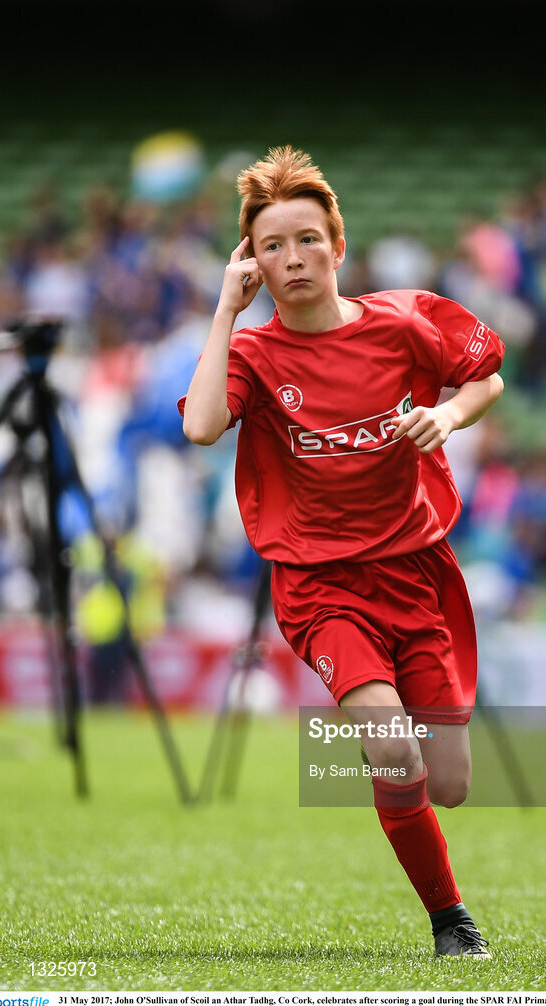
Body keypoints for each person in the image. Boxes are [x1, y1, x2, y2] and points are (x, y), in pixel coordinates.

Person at [179, 146, 505, 958]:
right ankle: (450, 922)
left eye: (307, 240)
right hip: (322, 587)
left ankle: (403, 793)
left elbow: (485, 378)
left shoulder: (403, 324)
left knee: (452, 784)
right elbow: (200, 426)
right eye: (270, 247)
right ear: (249, 262)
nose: (292, 259)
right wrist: (225, 312)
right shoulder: (254, 353)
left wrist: (451, 418)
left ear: (338, 245)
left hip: (417, 571)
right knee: (392, 747)